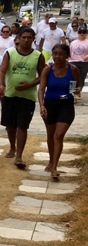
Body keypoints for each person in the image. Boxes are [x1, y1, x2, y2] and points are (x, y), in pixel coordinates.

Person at [0, 27, 45, 169]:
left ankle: (19, 156)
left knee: (22, 126)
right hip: (10, 94)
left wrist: (30, 84)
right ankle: (12, 146)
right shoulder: (10, 53)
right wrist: (1, 85)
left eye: (29, 38)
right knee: (10, 125)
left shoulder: (38, 56)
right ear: (18, 38)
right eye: (23, 37)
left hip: (28, 97)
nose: (26, 40)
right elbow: (2, 70)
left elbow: (43, 75)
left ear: (33, 39)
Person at [38, 44, 80, 179]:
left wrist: (76, 91)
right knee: (51, 135)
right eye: (55, 53)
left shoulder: (73, 69)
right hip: (50, 105)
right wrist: (41, 105)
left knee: (58, 135)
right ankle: (51, 161)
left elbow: (76, 86)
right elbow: (41, 89)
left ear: (67, 55)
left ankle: (54, 167)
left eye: (61, 54)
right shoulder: (47, 70)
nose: (57, 56)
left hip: (66, 105)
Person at [69, 27, 88, 100]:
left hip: (84, 63)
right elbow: (70, 52)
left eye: (84, 32)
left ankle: (78, 91)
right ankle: (72, 94)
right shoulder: (73, 42)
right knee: (73, 79)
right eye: (80, 32)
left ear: (86, 33)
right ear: (78, 33)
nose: (82, 34)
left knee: (81, 79)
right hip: (73, 62)